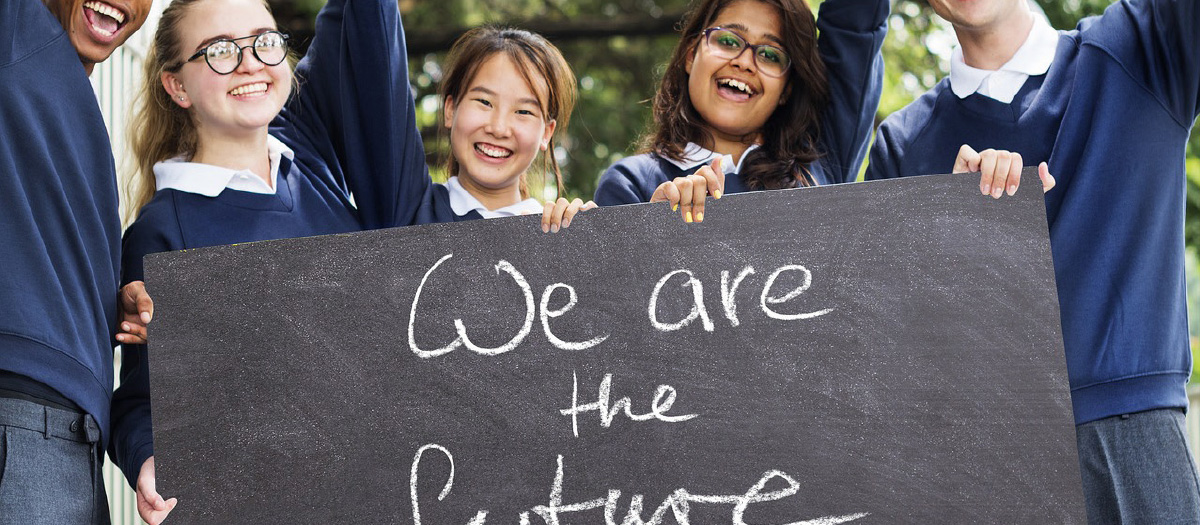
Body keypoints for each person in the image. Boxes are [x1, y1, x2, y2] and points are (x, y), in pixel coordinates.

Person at [109, 2, 588, 522]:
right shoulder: (162, 229)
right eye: (220, 50)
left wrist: (634, 228)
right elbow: (141, 399)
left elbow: (359, 26)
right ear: (176, 86)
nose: (248, 62)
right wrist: (148, 459)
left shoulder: (311, 159)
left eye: (263, 41)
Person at [865, 0, 1200, 522]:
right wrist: (944, 232)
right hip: (984, 462)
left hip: (1134, 440)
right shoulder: (900, 147)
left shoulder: (1139, 44)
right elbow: (895, 355)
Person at [0, 0, 151, 523]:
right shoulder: (16, 28)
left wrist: (105, 305)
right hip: (21, 421)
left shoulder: (66, 91)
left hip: (72, 438)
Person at [593, 0, 888, 221]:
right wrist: (650, 231)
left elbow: (856, 20)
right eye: (728, 40)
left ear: (786, 89)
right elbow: (614, 296)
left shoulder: (820, 158)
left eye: (770, 55)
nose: (745, 62)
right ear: (691, 54)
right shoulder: (631, 181)